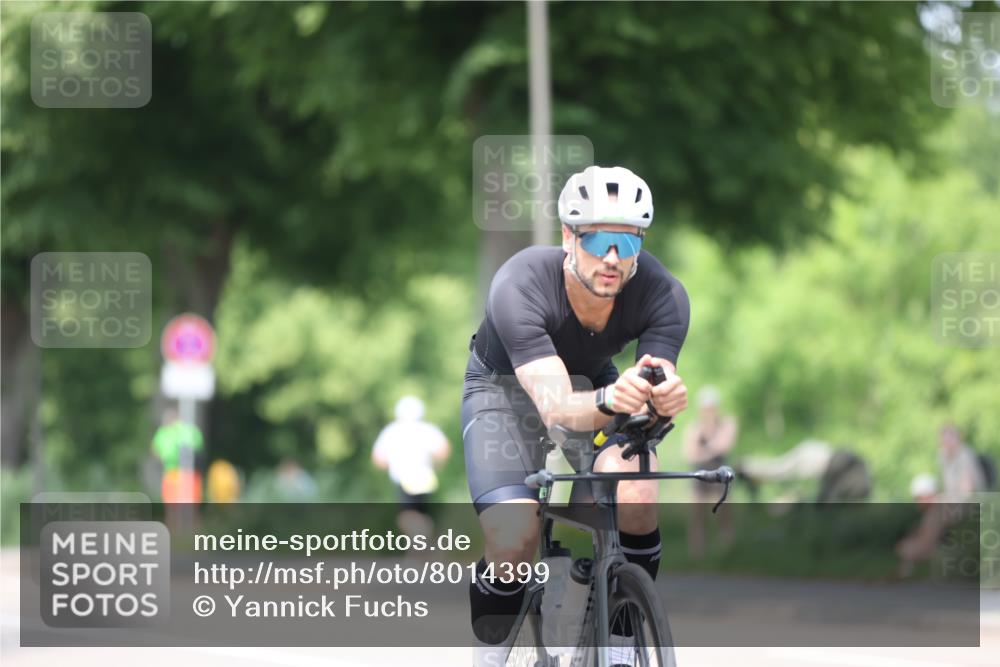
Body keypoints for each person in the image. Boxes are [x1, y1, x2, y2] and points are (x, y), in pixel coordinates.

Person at [461, 166, 690, 659]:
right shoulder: (519, 283)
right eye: (599, 241)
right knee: (513, 537)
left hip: (593, 381)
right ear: (569, 236)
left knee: (636, 486)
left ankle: (620, 641)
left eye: (628, 244)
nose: (613, 258)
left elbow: (653, 386)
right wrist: (612, 401)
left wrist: (662, 401)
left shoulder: (663, 293)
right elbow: (559, 410)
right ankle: (490, 653)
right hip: (506, 394)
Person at [896, 424, 987, 577]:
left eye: (949, 439)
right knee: (930, 509)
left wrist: (941, 498)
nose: (946, 443)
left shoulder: (965, 457)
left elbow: (966, 493)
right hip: (952, 503)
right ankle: (917, 552)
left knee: (935, 511)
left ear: (957, 439)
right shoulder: (943, 457)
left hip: (971, 504)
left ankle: (921, 550)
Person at [372, 396, 451, 543]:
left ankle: (423, 543)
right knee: (420, 515)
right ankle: (422, 547)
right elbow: (443, 450)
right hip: (427, 478)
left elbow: (378, 457)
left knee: (407, 516)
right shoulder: (428, 429)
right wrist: (436, 464)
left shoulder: (393, 431)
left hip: (406, 478)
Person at [682, 386, 738, 558]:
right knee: (698, 517)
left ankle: (727, 553)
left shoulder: (727, 422)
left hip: (720, 476)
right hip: (700, 476)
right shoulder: (696, 426)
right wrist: (709, 443)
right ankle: (698, 555)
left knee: (724, 515)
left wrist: (704, 449)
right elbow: (689, 453)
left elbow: (725, 445)